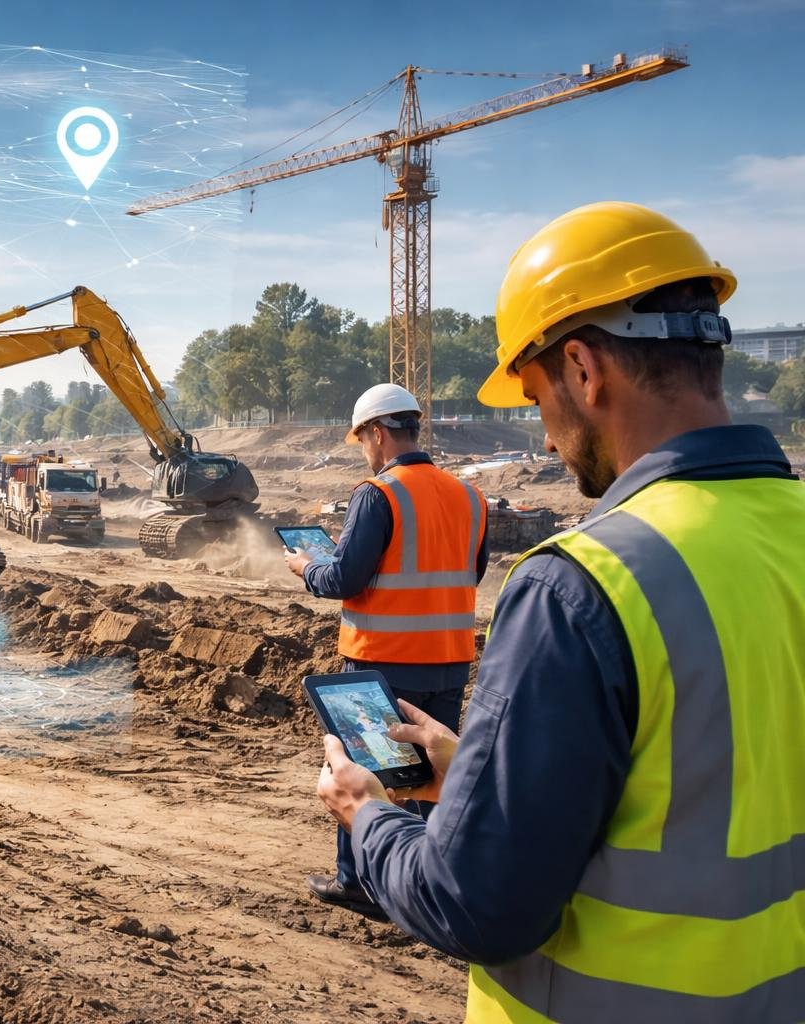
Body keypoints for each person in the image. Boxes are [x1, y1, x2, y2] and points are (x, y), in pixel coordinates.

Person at [315, 202, 805, 1021]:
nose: (544, 439)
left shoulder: (584, 585)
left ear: (583, 369)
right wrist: (484, 766)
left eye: (537, 398)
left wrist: (365, 818)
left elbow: (474, 904)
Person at [287, 382, 488, 920]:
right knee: (428, 773)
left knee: (367, 774)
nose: (365, 453)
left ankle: (360, 882)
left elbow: (344, 578)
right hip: (448, 659)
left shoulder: (379, 493)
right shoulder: (470, 496)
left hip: (383, 659)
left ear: (377, 433)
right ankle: (420, 879)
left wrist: (308, 568)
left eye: (362, 441)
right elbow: (472, 571)